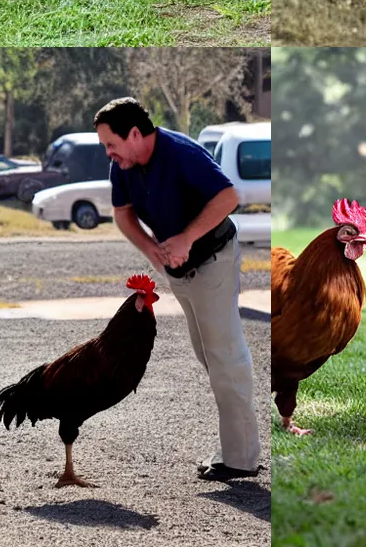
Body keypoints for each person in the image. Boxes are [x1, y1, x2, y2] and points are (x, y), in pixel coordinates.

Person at [96, 97, 262, 482]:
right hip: (179, 267)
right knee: (208, 354)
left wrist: (186, 237)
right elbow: (122, 214)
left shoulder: (182, 152)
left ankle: (241, 459)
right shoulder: (123, 165)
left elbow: (228, 197)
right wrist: (151, 250)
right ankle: (235, 448)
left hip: (213, 259)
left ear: (135, 134)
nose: (109, 153)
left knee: (225, 356)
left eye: (111, 144)